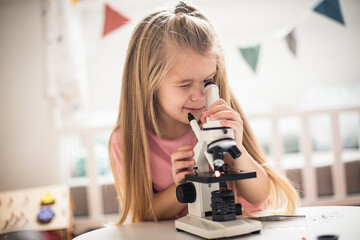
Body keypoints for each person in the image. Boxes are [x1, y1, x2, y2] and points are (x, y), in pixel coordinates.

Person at [109, 1, 298, 224]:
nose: (199, 96)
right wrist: (185, 185)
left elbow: (260, 195)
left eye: (208, 81)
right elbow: (145, 212)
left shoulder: (221, 118)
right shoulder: (127, 141)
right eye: (184, 84)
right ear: (148, 83)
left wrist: (237, 152)